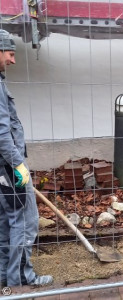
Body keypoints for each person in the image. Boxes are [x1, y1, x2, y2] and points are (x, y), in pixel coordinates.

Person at [0, 29, 53, 287]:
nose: (13, 60)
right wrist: (18, 165)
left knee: (6, 222)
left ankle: (4, 277)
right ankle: (21, 278)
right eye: (10, 54)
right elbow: (1, 133)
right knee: (24, 221)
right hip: (8, 168)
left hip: (2, 169)